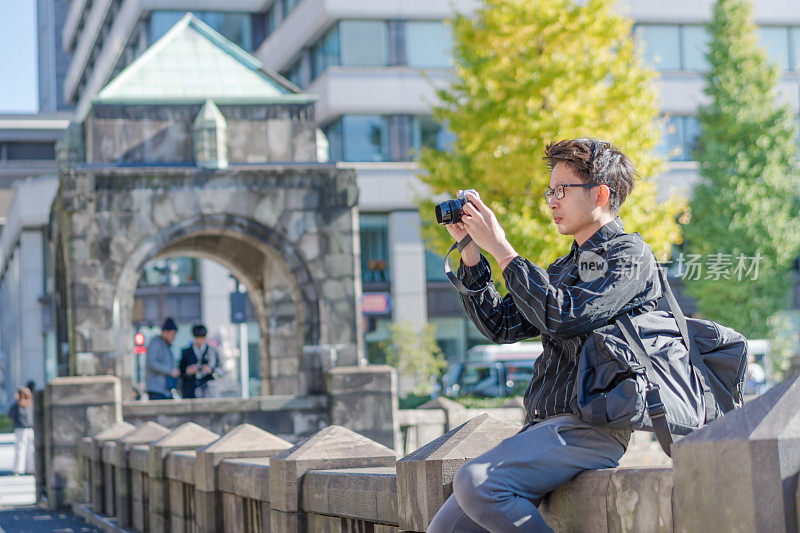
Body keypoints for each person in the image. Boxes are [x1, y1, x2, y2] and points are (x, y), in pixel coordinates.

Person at [427, 138, 663, 532]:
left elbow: (563, 315)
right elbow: (500, 324)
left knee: (477, 482)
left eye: (561, 190)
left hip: (590, 428)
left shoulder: (629, 256)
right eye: (549, 191)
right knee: (447, 528)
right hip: (544, 427)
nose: (551, 201)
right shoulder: (567, 265)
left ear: (600, 194)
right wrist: (471, 251)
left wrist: (503, 249)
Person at [179, 324, 222, 399]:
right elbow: (180, 371)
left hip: (209, 392)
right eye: (197, 338)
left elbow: (221, 370)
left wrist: (211, 371)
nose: (199, 341)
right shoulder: (185, 352)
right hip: (191, 392)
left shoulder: (213, 351)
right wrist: (188, 371)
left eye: (201, 338)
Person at [145, 318, 180, 400]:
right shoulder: (155, 343)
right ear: (165, 332)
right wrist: (170, 371)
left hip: (166, 390)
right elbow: (151, 363)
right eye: (172, 334)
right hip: (156, 390)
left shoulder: (167, 346)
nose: (174, 338)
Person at [8, 387, 34, 475]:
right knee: (31, 450)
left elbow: (10, 415)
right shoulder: (31, 404)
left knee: (20, 449)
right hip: (30, 429)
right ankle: (31, 469)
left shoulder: (17, 405)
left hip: (20, 429)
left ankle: (18, 469)